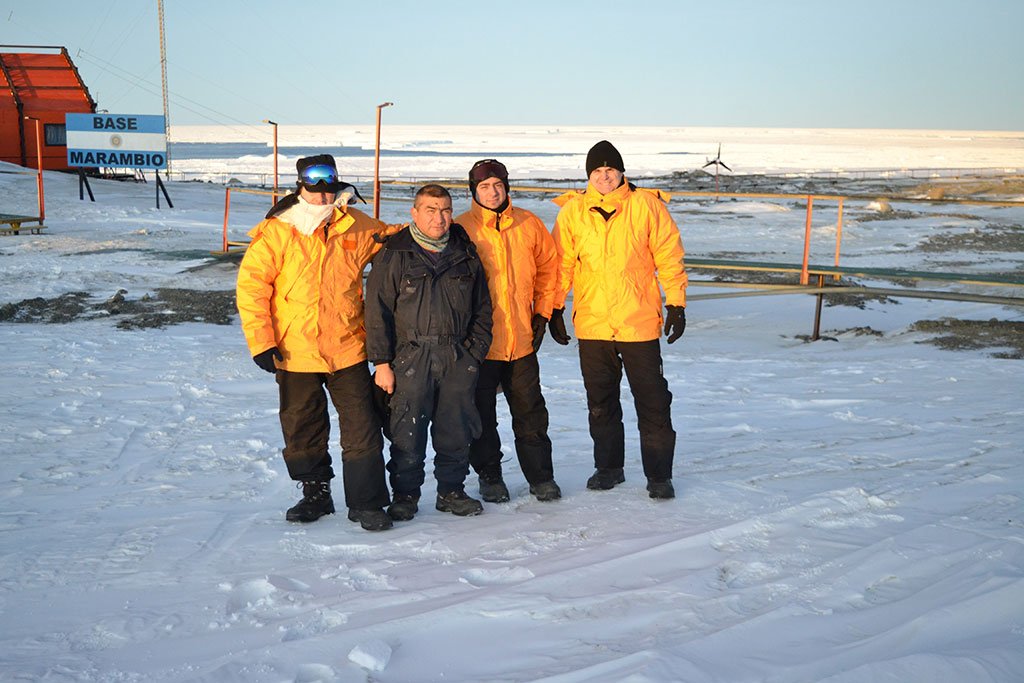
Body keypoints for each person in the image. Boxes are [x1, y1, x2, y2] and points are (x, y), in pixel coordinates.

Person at [236, 154, 397, 531]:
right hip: (294, 350)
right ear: (301, 185)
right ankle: (315, 495)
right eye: (315, 188)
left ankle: (367, 503)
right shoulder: (278, 229)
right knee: (302, 426)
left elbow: (392, 239)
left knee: (361, 426)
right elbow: (252, 286)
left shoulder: (357, 225)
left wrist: (431, 228)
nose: (324, 197)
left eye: (329, 189)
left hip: (348, 346)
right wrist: (261, 341)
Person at [549, 140, 688, 500]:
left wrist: (676, 303)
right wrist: (554, 308)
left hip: (637, 321)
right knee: (601, 401)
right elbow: (560, 265)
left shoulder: (647, 207)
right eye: (598, 171)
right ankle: (608, 467)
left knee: (653, 401)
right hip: (593, 323)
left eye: (611, 170)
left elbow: (669, 257)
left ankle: (659, 475)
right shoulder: (572, 212)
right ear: (588, 175)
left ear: (622, 172)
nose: (605, 176)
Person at [365, 184, 493, 520]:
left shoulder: (465, 253)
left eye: (446, 210)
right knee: (408, 429)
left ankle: (451, 491)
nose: (439, 218)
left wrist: (473, 354)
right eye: (431, 210)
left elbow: (482, 308)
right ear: (415, 213)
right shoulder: (396, 253)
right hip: (411, 355)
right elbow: (377, 312)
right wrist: (382, 362)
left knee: (456, 428)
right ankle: (405, 495)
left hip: (455, 355)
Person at [456, 159, 561, 503]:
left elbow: (549, 270)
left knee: (530, 411)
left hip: (521, 339)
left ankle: (541, 477)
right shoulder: (461, 228)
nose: (492, 192)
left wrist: (543, 314)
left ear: (507, 187)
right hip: (479, 344)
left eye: (498, 185)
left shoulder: (529, 223)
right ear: (474, 191)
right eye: (484, 187)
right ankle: (489, 476)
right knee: (481, 414)